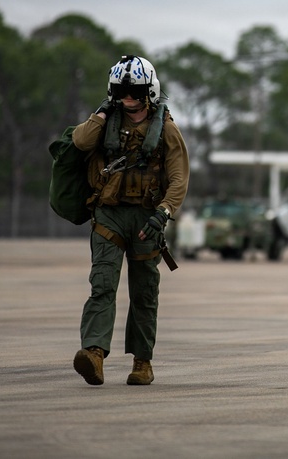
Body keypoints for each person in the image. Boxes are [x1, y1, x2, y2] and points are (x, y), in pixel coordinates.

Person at [70, 55, 189, 386]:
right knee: (103, 284)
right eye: (121, 92)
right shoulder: (104, 122)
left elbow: (179, 179)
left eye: (135, 92)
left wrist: (163, 212)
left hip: (146, 219)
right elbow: (80, 141)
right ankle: (93, 353)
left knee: (144, 292)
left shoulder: (166, 130)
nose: (129, 98)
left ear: (149, 92)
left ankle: (142, 362)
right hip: (109, 215)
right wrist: (101, 113)